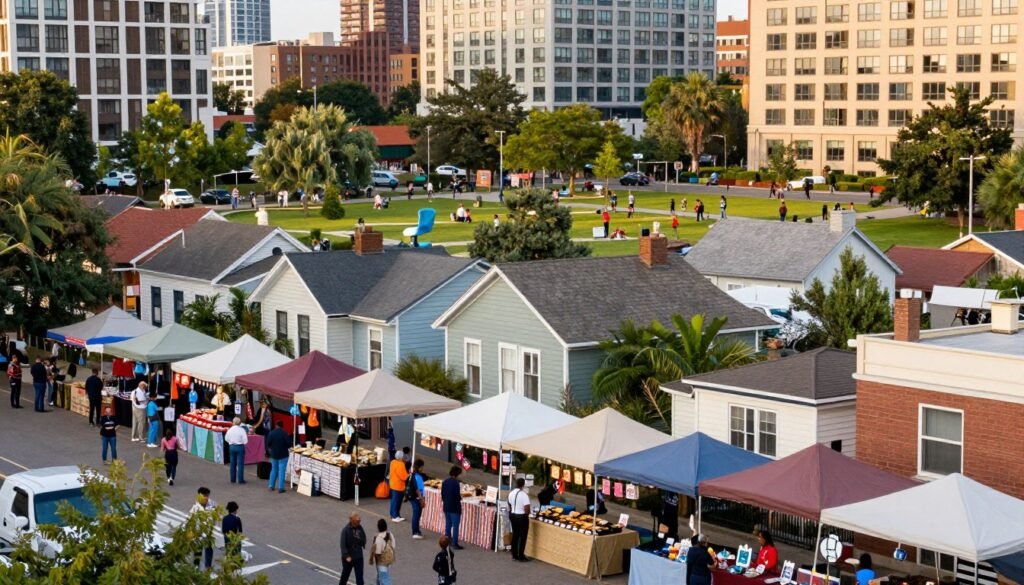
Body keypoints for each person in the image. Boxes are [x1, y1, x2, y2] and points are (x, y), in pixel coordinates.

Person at [191, 487, 215, 569]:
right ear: (200, 496)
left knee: (209, 549)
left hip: (209, 531)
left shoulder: (212, 504)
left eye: (207, 495)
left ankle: (208, 566)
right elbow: (191, 520)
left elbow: (217, 516)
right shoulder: (195, 507)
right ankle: (196, 566)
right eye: (205, 496)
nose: (207, 498)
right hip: (198, 531)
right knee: (197, 549)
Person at [340, 512, 367, 585]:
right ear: (351, 520)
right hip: (349, 558)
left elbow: (364, 539)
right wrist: (346, 556)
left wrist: (361, 541)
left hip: (358, 557)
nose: (359, 522)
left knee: (360, 578)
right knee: (344, 577)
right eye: (357, 521)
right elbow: (343, 545)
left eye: (359, 521)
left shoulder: (360, 528)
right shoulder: (345, 530)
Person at [508, 477, 531, 562]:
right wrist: (526, 515)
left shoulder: (511, 493)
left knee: (515, 535)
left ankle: (514, 554)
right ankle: (521, 555)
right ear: (523, 485)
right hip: (521, 517)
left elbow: (509, 504)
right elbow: (527, 509)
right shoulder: (524, 495)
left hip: (513, 515)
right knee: (523, 536)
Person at [441, 466, 464, 549]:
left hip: (446, 506)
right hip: (454, 507)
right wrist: (460, 498)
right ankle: (454, 543)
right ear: (457, 474)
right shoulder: (456, 483)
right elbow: (457, 496)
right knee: (455, 526)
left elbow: (442, 494)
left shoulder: (445, 482)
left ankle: (447, 540)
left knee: (448, 524)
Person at [369, 518, 396, 585]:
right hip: (389, 560)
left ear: (378, 527)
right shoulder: (390, 534)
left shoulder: (378, 538)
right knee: (380, 577)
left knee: (384, 579)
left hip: (381, 563)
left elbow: (378, 553)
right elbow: (393, 546)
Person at [266, 420, 290, 493]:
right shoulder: (285, 433)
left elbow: (268, 444)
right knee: (281, 471)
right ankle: (280, 488)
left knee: (273, 470)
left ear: (276, 425)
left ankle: (271, 485)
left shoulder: (271, 433)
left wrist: (271, 450)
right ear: (282, 426)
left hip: (274, 454)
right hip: (283, 455)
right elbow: (289, 444)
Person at [225, 417, 249, 484]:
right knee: (240, 464)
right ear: (240, 423)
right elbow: (246, 441)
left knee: (232, 463)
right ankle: (240, 480)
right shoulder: (242, 430)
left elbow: (226, 438)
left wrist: (231, 442)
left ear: (233, 422)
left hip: (232, 447)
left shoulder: (230, 430)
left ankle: (233, 479)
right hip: (240, 447)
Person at [388, 452, 409, 522]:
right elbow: (403, 476)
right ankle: (395, 516)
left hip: (392, 484)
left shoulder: (393, 462)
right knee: (397, 501)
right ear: (401, 457)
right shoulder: (401, 464)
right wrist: (408, 475)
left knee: (393, 501)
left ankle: (393, 514)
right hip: (398, 486)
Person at [409, 459, 426, 539]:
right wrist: (422, 500)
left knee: (416, 514)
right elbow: (418, 490)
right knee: (416, 514)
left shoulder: (412, 474)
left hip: (412, 497)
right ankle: (415, 532)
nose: (423, 468)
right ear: (419, 467)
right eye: (422, 467)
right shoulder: (418, 476)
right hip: (416, 498)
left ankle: (416, 530)